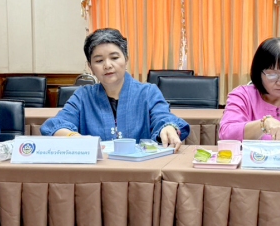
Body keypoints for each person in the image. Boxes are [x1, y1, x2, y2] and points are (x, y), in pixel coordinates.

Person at [40, 28, 190, 149]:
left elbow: (163, 118)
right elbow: (56, 125)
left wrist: (167, 127)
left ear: (126, 59)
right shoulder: (83, 96)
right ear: (90, 67)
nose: (107, 65)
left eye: (114, 57)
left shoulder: (148, 92)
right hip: (96, 172)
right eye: (99, 60)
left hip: (140, 171)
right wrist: (74, 137)